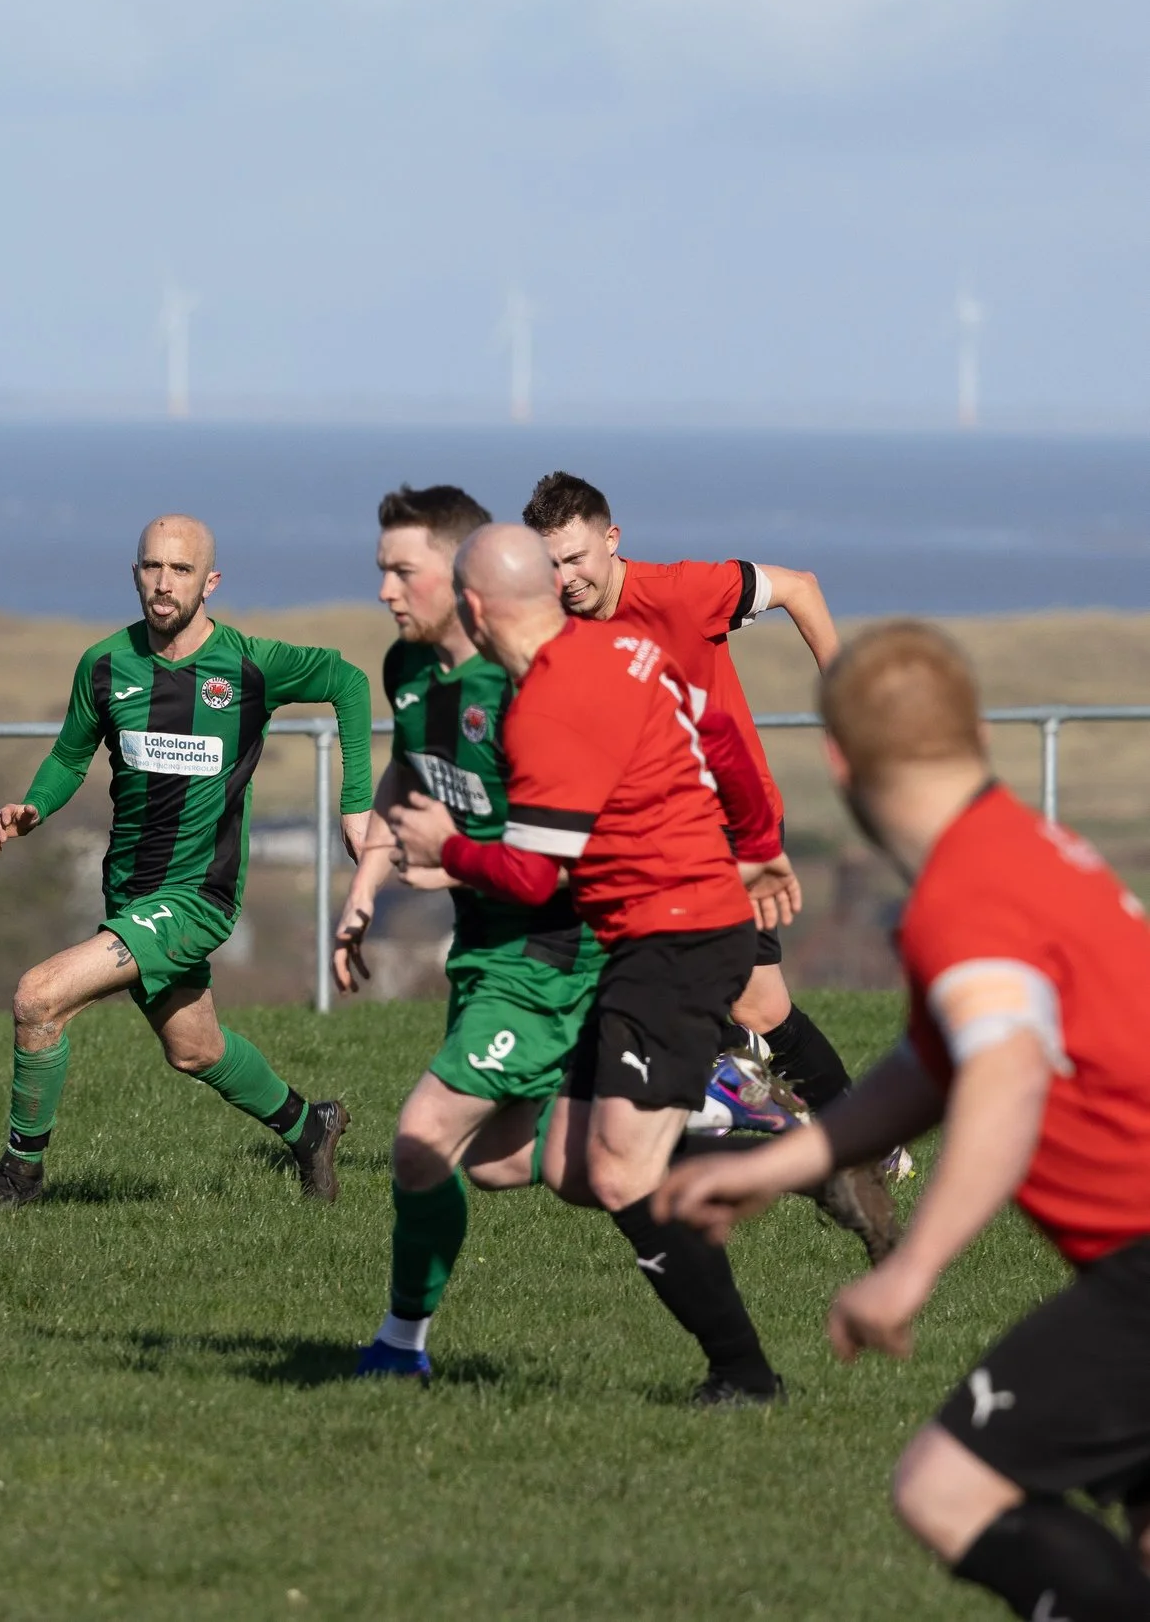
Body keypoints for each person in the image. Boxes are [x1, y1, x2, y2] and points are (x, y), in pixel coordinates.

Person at [658, 623, 1150, 1618]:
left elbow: (1002, 1078)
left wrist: (906, 1270)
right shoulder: (1021, 846)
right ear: (972, 731)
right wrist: (780, 1161)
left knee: (943, 1487)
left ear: (837, 760)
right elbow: (936, 1062)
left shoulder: (964, 895)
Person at [386, 525, 802, 1404]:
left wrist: (448, 848)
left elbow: (538, 873)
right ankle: (739, 1129)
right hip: (649, 936)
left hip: (675, 937)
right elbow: (724, 731)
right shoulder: (626, 647)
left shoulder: (544, 708)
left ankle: (745, 1374)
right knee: (519, 1162)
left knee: (618, 1172)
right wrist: (759, 844)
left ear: (472, 607)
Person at [522, 471, 899, 1262]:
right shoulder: (560, 625)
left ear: (612, 539)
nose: (567, 580)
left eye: (577, 559)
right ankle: (842, 1138)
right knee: (752, 1007)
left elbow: (801, 587)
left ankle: (825, 1140)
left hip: (732, 827)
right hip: (649, 838)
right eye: (552, 565)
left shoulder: (689, 591)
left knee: (753, 1009)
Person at [0, 514, 375, 1212]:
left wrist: (353, 800)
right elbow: (68, 756)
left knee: (37, 997)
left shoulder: (247, 665)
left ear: (210, 582)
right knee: (195, 1049)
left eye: (180, 570)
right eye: (152, 566)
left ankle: (18, 1175)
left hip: (198, 898)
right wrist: (34, 806)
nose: (163, 582)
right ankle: (310, 1127)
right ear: (135, 573)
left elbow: (350, 682)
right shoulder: (104, 665)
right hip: (130, 896)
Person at [333, 486, 600, 1380]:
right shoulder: (409, 672)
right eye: (381, 572)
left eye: (401, 572)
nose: (384, 592)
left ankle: (399, 1348)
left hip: (554, 946)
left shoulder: (529, 679)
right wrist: (365, 889)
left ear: (463, 577)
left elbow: (567, 838)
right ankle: (698, 1117)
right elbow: (411, 774)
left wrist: (450, 862)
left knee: (421, 1133)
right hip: (485, 949)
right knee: (497, 1163)